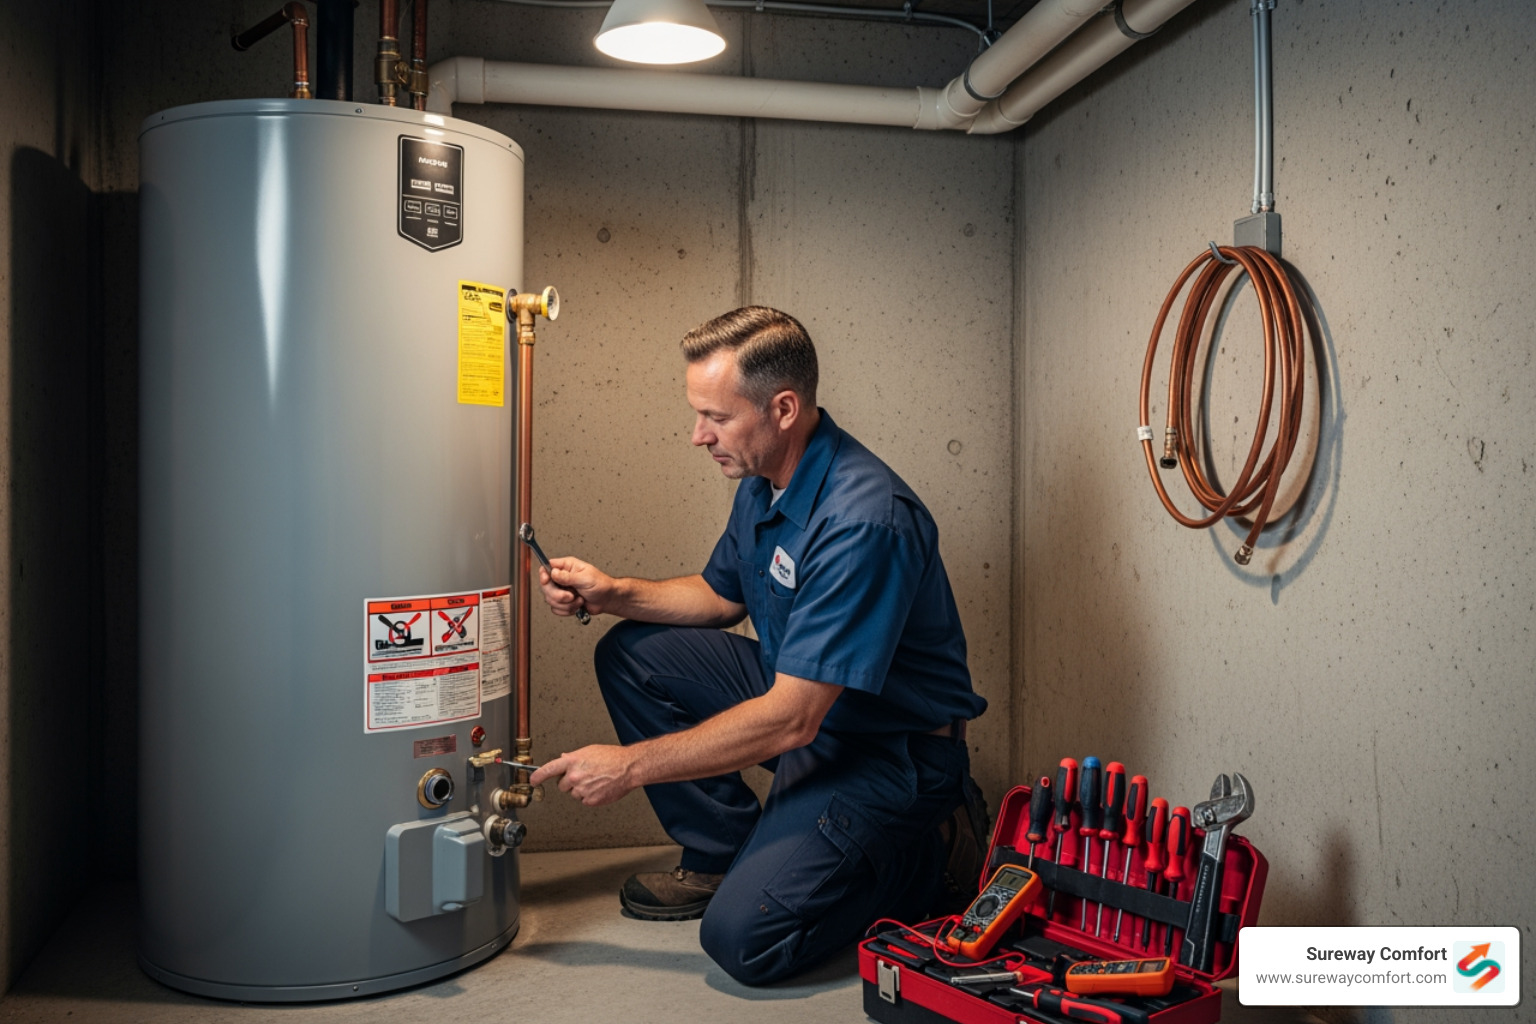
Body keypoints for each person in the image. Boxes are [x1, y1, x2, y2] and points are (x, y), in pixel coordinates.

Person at [528, 306, 988, 986]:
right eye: (697, 414)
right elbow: (720, 599)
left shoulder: (863, 520)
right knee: (633, 653)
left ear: (782, 407)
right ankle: (726, 852)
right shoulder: (765, 477)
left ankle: (929, 854)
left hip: (888, 753)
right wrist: (612, 592)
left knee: (745, 941)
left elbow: (792, 719)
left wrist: (628, 768)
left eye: (716, 416)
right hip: (803, 704)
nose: (697, 435)